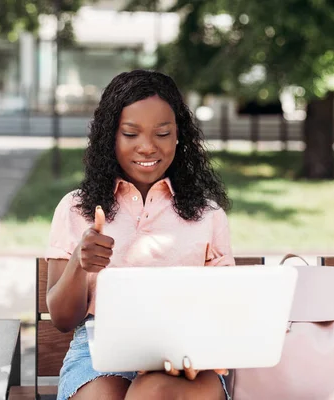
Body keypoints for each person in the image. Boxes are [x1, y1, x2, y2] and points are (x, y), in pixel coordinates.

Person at [45, 70, 235, 400]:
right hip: (100, 354)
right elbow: (62, 319)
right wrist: (79, 261)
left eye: (162, 133)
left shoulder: (208, 215)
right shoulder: (77, 208)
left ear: (179, 136)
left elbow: (225, 311)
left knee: (154, 391)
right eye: (131, 134)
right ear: (110, 137)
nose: (147, 147)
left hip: (188, 356)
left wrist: (199, 351)